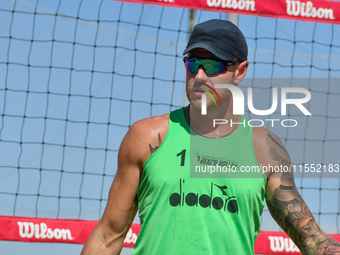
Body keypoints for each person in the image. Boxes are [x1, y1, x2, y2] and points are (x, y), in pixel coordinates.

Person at [81, 19, 340, 255]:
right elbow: (108, 237)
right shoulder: (147, 137)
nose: (200, 76)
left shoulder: (264, 149)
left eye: (213, 65)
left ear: (240, 71)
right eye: (193, 63)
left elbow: (312, 241)